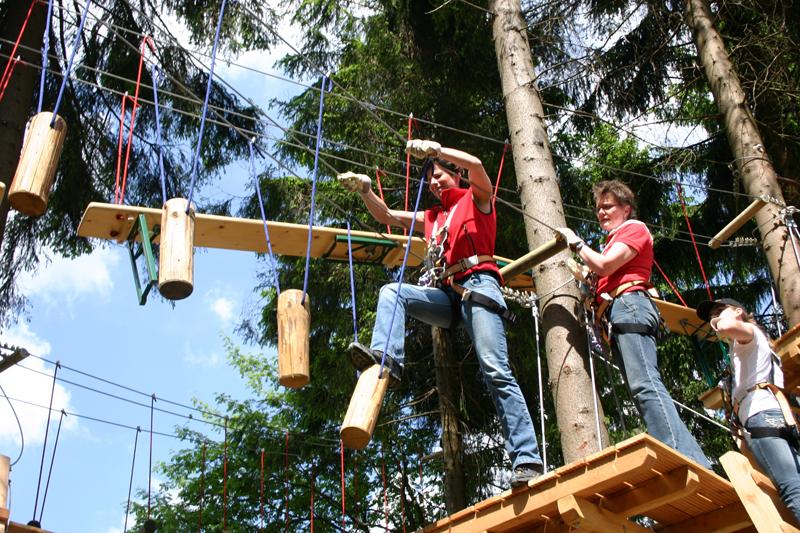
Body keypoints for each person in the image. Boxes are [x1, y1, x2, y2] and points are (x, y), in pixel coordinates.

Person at [337, 139, 543, 488]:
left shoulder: (476, 200)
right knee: (393, 292)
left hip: (478, 285)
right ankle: (387, 359)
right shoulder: (432, 217)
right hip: (447, 295)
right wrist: (366, 191)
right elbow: (387, 216)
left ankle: (527, 460)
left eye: (440, 175)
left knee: (495, 369)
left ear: (455, 174)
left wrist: (437, 150)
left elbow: (476, 164)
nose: (434, 182)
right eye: (429, 179)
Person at [555, 179, 711, 467]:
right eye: (599, 209)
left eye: (608, 207)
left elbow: (604, 265)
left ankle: (681, 454)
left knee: (645, 384)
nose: (601, 213)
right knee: (640, 388)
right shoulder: (613, 241)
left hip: (630, 305)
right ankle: (685, 454)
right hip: (619, 312)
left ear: (626, 209)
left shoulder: (634, 229)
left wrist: (575, 242)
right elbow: (601, 273)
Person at [697, 298, 800, 524]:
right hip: (776, 414)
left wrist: (718, 323)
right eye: (712, 315)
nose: (715, 318)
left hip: (761, 414)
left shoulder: (748, 334)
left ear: (738, 311)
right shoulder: (755, 341)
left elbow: (725, 327)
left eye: (720, 311)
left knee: (791, 487)